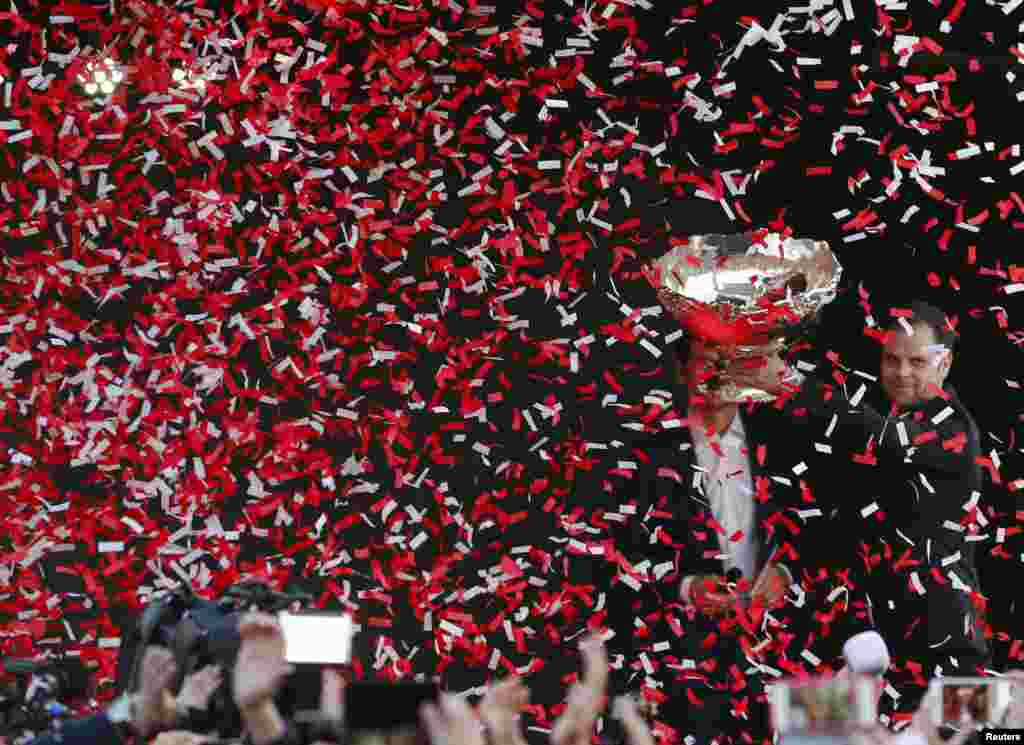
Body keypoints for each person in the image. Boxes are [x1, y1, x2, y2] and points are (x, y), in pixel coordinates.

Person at [570, 325, 863, 745]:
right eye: (709, 361)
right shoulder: (648, 453)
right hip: (686, 669)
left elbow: (822, 532)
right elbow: (618, 556)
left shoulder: (784, 439)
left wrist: (785, 572)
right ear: (683, 368)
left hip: (784, 656)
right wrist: (688, 588)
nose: (721, 374)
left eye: (734, 362)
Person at [728, 300, 990, 711]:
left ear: (945, 364)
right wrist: (788, 567)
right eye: (891, 359)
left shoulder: (953, 431)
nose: (902, 373)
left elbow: (882, 439)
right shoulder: (873, 411)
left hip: (943, 637)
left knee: (985, 739)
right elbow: (847, 517)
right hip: (869, 639)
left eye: (917, 362)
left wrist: (792, 382)